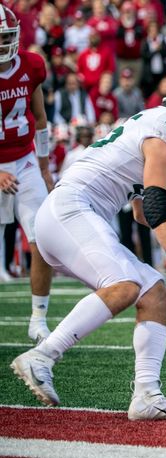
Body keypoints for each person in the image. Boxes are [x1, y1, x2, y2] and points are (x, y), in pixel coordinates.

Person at [10, 81, 166, 420]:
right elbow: (156, 203)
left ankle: (147, 394)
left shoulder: (157, 122)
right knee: (124, 285)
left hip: (69, 214)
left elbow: (142, 210)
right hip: (71, 210)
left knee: (154, 293)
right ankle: (43, 355)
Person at [0, 6, 55, 344]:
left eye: (7, 37)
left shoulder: (31, 65)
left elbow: (41, 117)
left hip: (24, 160)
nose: (5, 44)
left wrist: (45, 166)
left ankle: (38, 318)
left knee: (43, 238)